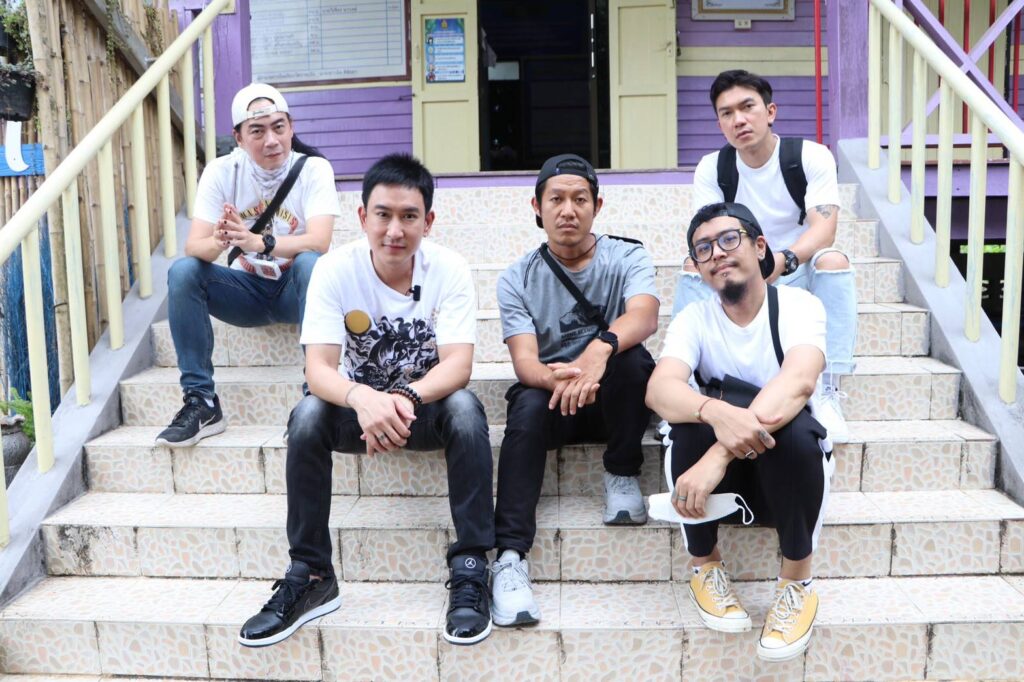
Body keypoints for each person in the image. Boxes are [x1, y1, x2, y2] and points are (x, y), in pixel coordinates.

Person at [238, 153, 495, 648]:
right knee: (307, 414)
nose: (394, 230)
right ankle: (312, 574)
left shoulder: (449, 269)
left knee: (465, 409)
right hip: (357, 414)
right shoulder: (335, 270)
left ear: (428, 221)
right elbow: (318, 369)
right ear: (362, 217)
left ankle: (470, 566)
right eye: (383, 214)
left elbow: (459, 366)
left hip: (422, 411)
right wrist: (363, 399)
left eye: (409, 216)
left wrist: (399, 398)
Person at [648, 202, 833, 662]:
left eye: (729, 239)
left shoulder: (799, 306)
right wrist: (714, 411)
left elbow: (799, 381)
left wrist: (719, 456)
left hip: (786, 475)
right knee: (689, 424)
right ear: (697, 267)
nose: (717, 253)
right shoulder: (695, 319)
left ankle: (797, 584)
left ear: (760, 246)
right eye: (703, 249)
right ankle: (704, 567)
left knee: (795, 432)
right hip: (718, 492)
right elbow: (659, 389)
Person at [491, 153, 660, 626]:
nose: (568, 210)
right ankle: (509, 556)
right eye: (556, 199)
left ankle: (621, 473)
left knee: (633, 361)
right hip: (555, 399)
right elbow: (526, 361)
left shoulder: (627, 256)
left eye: (580, 199)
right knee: (525, 406)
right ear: (537, 207)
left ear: (597, 206)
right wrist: (559, 378)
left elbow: (644, 316)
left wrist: (599, 351)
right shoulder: (517, 278)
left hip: (614, 401)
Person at [673, 69, 856, 439]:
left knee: (834, 260)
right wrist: (745, 264)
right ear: (719, 124)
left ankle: (829, 390)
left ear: (770, 112)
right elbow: (707, 232)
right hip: (741, 268)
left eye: (747, 107)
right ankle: (686, 387)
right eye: (727, 113)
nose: (739, 120)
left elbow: (824, 228)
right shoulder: (714, 167)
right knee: (694, 264)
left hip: (795, 266)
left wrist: (783, 260)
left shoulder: (809, 156)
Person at [156, 83, 338, 447]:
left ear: (291, 127)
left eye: (279, 127)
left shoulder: (314, 169)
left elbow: (320, 241)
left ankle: (317, 397)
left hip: (295, 291)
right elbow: (194, 246)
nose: (271, 140)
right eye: (257, 131)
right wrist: (221, 239)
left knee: (311, 263)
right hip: (246, 293)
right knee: (183, 272)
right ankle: (202, 402)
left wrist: (260, 242)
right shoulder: (221, 172)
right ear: (238, 138)